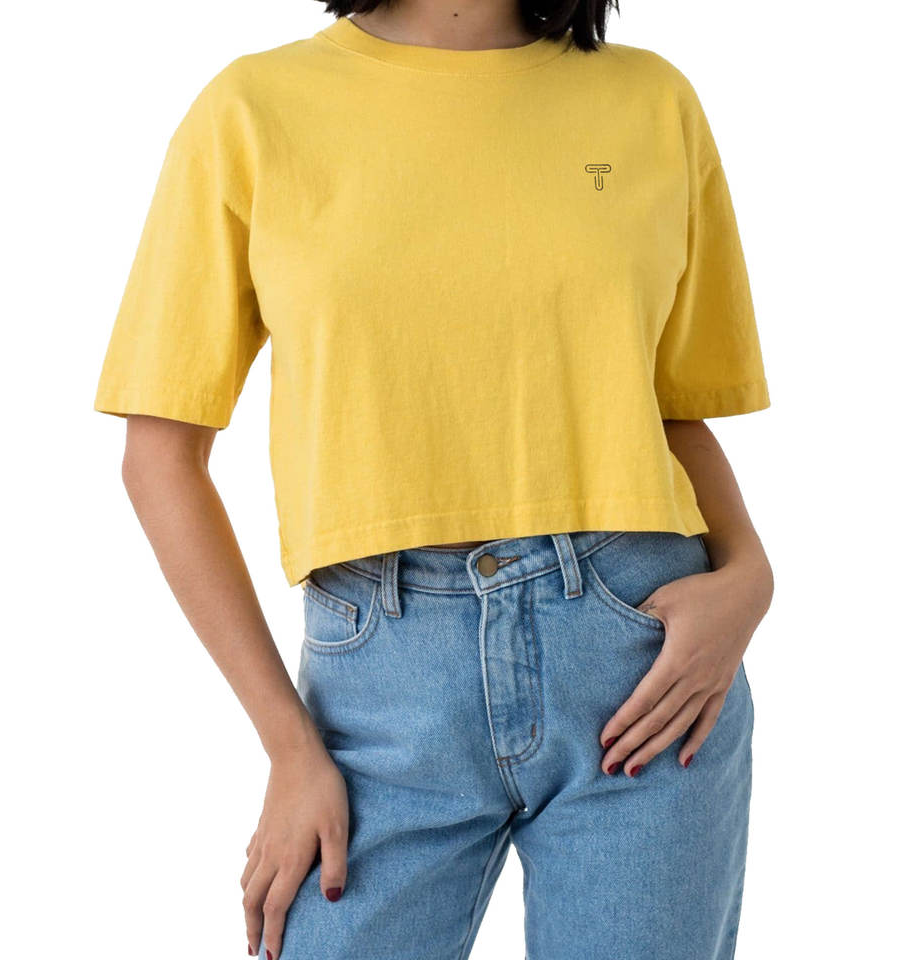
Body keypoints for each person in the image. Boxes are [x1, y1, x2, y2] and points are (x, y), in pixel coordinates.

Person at [92, 1, 774, 958]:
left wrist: (751, 577)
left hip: (643, 670)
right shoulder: (251, 109)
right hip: (380, 688)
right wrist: (288, 745)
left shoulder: (652, 102)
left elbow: (669, 411)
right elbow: (159, 457)